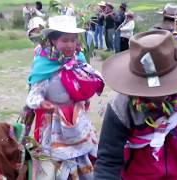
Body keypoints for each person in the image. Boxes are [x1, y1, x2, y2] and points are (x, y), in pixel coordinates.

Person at [95, 30, 177, 179]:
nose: (158, 96)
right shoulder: (121, 105)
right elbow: (108, 160)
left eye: (166, 85)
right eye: (150, 90)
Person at [26, 15, 104, 179]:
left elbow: (93, 77)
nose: (70, 44)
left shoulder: (79, 60)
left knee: (83, 159)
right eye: (65, 40)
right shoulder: (44, 65)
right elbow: (33, 95)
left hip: (77, 121)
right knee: (54, 165)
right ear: (53, 41)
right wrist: (42, 102)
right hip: (53, 124)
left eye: (73, 40)